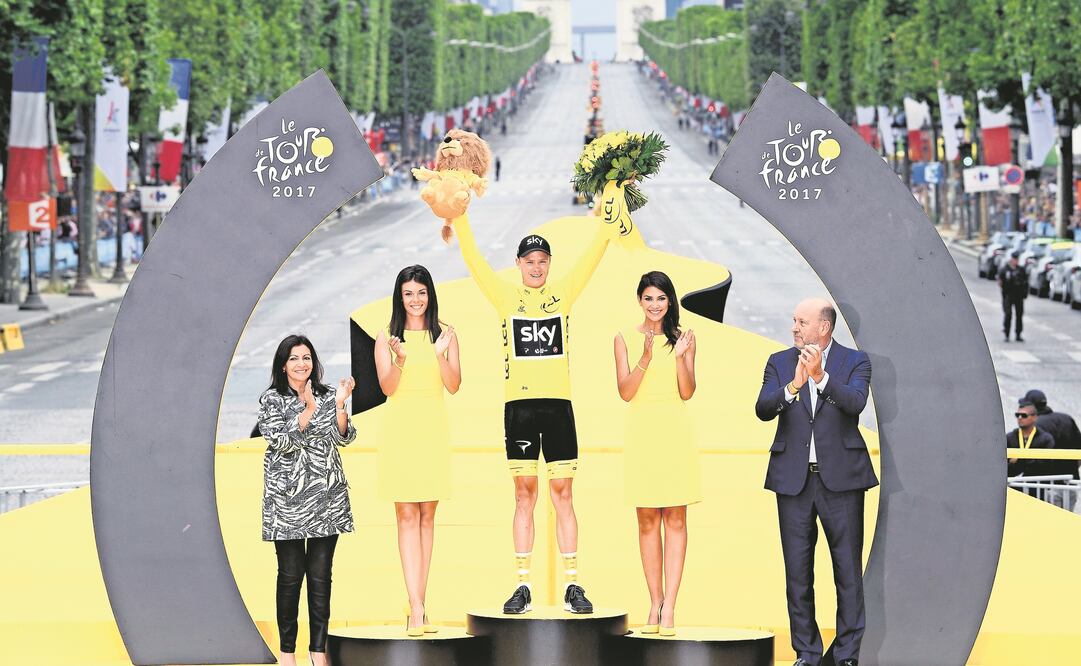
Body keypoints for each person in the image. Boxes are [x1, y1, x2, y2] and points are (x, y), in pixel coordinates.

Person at [447, 210, 619, 615]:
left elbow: (595, 252)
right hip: (520, 409)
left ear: (549, 265)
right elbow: (473, 259)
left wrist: (614, 202)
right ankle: (522, 586)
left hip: (559, 406)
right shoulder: (505, 295)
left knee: (563, 494)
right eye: (530, 261)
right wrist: (460, 217)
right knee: (524, 493)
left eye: (543, 261)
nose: (537, 267)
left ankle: (573, 585)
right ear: (519, 265)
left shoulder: (564, 292)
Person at [754, 298, 876, 666]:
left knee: (848, 573)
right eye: (794, 320)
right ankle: (806, 653)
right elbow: (763, 409)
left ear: (824, 327)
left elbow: (855, 403)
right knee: (797, 573)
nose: (795, 327)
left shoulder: (855, 361)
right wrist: (794, 385)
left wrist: (821, 377)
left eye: (802, 321)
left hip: (842, 482)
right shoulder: (778, 362)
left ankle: (847, 655)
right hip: (793, 483)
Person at [257, 335, 356, 666]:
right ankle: (287, 653)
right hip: (286, 501)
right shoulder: (271, 400)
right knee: (289, 575)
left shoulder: (328, 395)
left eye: (307, 357)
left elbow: (343, 437)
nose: (302, 364)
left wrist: (340, 404)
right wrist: (309, 409)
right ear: (283, 365)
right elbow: (281, 441)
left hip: (326, 498)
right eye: (295, 358)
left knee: (320, 575)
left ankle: (318, 651)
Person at [374, 265, 461, 636]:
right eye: (408, 293)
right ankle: (416, 606)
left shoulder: (447, 333)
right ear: (400, 297)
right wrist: (401, 360)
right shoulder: (386, 337)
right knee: (406, 515)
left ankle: (420, 604)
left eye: (421, 292)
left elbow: (454, 384)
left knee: (428, 516)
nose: (415, 299)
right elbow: (387, 388)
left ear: (430, 295)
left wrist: (440, 354)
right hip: (400, 430)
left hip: (432, 429)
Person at [613, 271, 700, 637]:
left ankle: (671, 607)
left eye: (661, 299)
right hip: (642, 434)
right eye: (648, 298)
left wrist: (680, 357)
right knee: (647, 520)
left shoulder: (685, 338)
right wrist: (646, 356)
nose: (654, 305)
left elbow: (687, 391)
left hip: (674, 433)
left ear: (670, 301)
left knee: (675, 520)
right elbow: (626, 391)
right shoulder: (623, 339)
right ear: (639, 300)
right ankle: (654, 600)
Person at [1019, 389, 1081, 507]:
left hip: (1045, 487)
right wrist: (1071, 468)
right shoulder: (1066, 419)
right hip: (1070, 484)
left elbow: (1027, 460)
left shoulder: (1034, 426)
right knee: (1067, 523)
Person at [1007, 400, 1057, 498]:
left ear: (1034, 417)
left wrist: (1018, 460)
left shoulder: (1046, 439)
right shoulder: (1009, 437)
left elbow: (1045, 465)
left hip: (1037, 491)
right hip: (1013, 490)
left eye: (1024, 415)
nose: (1020, 418)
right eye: (1017, 415)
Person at [998, 252, 1027, 342]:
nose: (1016, 261)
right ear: (1011, 259)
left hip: (1019, 296)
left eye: (1017, 260)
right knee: (1008, 314)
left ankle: (1018, 334)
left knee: (1019, 315)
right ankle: (1007, 333)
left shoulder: (1021, 270)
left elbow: (1025, 282)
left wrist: (1025, 293)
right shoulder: (1005, 270)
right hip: (1008, 295)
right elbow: (1000, 282)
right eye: (1014, 259)